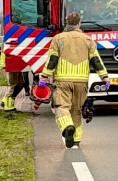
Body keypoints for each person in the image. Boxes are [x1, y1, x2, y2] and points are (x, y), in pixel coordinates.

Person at [45, 11, 105, 148]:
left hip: (63, 80)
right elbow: (96, 60)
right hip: (81, 81)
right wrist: (104, 77)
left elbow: (52, 59)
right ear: (79, 23)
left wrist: (44, 76)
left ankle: (67, 127)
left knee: (62, 106)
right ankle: (76, 140)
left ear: (67, 23)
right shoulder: (88, 40)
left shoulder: (58, 38)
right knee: (76, 110)